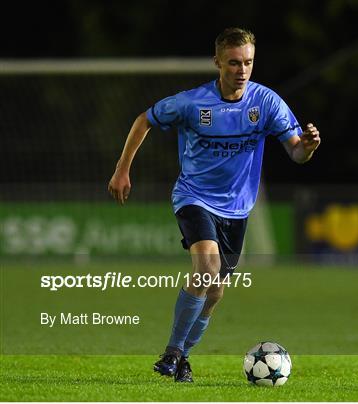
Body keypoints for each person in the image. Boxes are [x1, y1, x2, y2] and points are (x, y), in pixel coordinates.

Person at [107, 27, 320, 383]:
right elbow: (144, 120)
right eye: (234, 63)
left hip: (237, 210)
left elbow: (296, 152)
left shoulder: (266, 103)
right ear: (217, 62)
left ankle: (183, 358)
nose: (242, 70)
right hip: (194, 196)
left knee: (215, 290)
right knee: (206, 265)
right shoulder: (192, 103)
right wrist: (122, 168)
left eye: (248, 63)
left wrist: (309, 146)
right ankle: (172, 352)